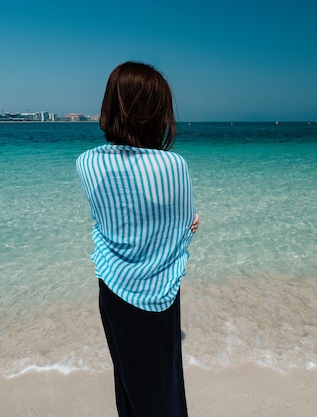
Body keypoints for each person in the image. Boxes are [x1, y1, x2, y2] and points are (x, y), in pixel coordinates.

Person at [76, 61, 199, 417]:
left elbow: (107, 218)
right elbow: (182, 228)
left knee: (129, 380)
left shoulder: (87, 163)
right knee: (163, 385)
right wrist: (192, 222)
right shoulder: (174, 166)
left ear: (111, 107)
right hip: (160, 293)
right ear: (158, 114)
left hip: (113, 287)